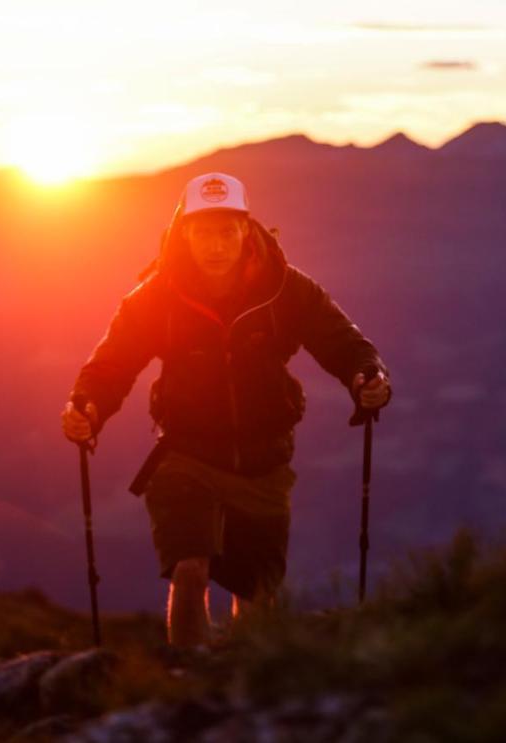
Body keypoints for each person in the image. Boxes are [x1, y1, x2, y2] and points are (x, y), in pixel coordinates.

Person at [60, 172, 391, 648]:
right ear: (184, 233)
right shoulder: (157, 296)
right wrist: (86, 407)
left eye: (226, 230)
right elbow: (111, 364)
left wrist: (367, 378)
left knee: (256, 593)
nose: (215, 244)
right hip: (185, 455)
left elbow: (343, 342)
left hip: (264, 460)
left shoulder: (286, 289)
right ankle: (184, 682)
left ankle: (238, 689)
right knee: (189, 570)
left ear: (246, 228)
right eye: (203, 232)